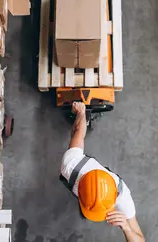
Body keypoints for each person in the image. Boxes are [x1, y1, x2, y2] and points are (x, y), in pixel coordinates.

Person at [60, 102, 145, 242]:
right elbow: (78, 133)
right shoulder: (70, 166)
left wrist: (127, 228)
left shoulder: (123, 199)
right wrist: (82, 113)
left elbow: (78, 133)